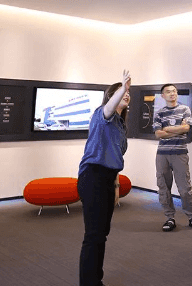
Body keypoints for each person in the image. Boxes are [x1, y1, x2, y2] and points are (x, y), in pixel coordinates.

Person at [77, 70, 131, 286]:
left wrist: (116, 186)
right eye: (121, 92)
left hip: (108, 179)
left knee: (102, 233)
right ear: (111, 96)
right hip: (93, 176)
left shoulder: (121, 125)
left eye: (128, 93)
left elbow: (115, 157)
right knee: (93, 234)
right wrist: (123, 87)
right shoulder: (102, 113)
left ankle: (95, 279)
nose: (127, 94)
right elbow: (109, 108)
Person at [153, 84, 192, 232]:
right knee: (163, 186)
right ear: (163, 95)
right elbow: (158, 134)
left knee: (185, 188)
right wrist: (178, 129)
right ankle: (169, 218)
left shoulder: (185, 109)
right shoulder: (159, 113)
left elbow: (186, 128)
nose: (172, 94)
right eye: (168, 92)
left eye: (174, 91)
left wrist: (167, 129)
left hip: (180, 153)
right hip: (162, 154)